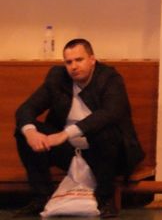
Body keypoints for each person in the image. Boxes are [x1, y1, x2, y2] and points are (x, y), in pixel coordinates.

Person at [13, 38, 144, 218]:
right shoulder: (58, 78)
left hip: (107, 154)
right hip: (70, 151)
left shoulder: (109, 78)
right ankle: (41, 198)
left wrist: (65, 134)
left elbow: (110, 113)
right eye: (69, 62)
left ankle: (105, 199)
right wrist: (30, 132)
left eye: (79, 60)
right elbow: (26, 108)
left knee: (104, 131)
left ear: (92, 60)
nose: (73, 66)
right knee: (24, 131)